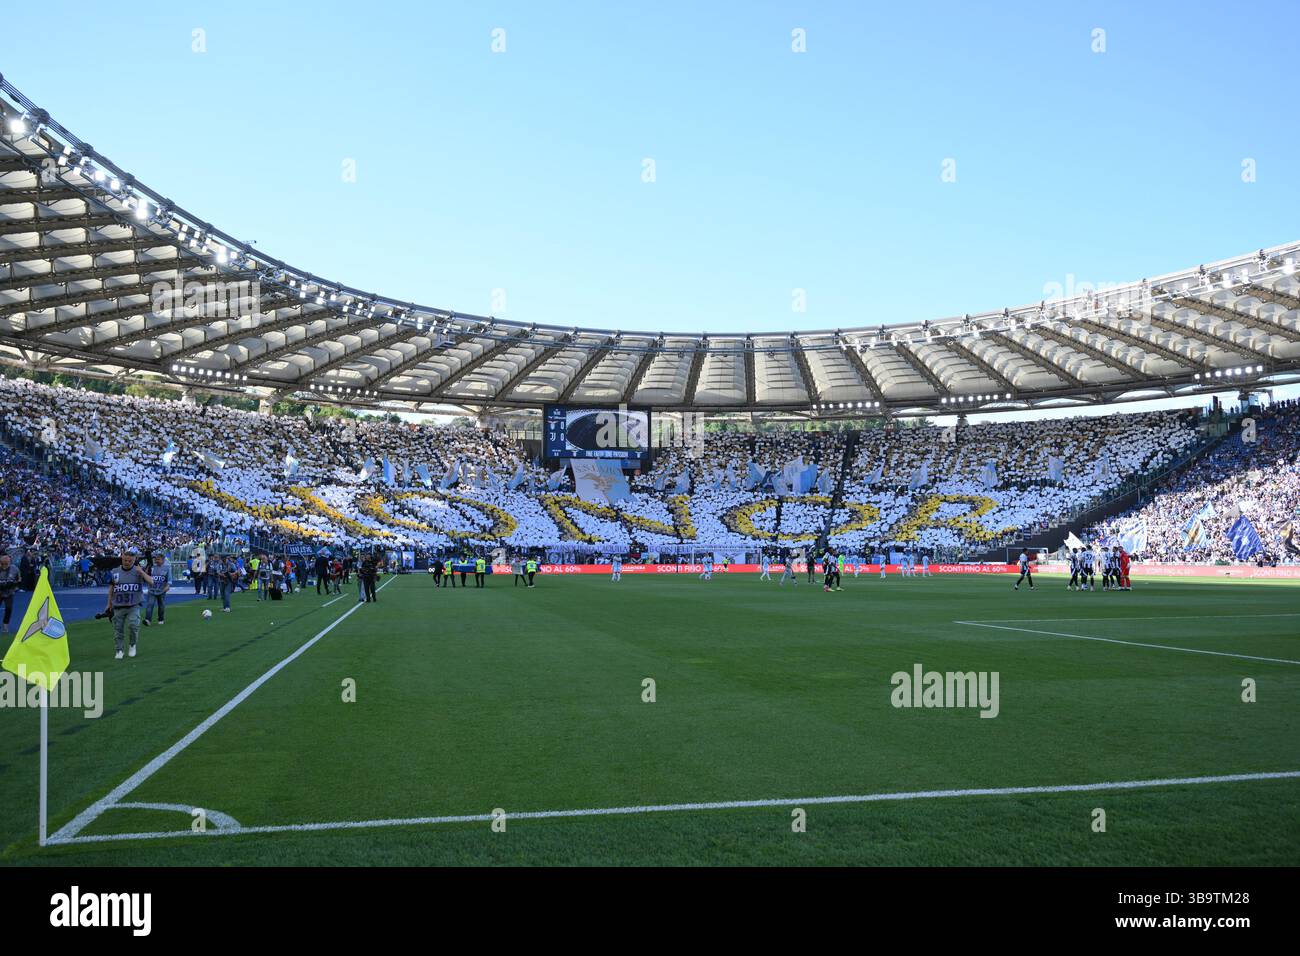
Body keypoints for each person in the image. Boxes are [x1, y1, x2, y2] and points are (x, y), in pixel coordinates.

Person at [105, 547, 153, 659]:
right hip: (118, 605)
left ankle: (132, 645)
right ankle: (119, 650)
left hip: (134, 605)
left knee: (133, 625)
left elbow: (151, 581)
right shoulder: (115, 572)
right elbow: (111, 588)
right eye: (125, 560)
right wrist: (109, 604)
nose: (127, 562)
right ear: (122, 558)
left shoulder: (138, 571)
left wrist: (141, 571)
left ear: (134, 560)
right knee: (118, 630)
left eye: (130, 561)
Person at [142, 552, 171, 626]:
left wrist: (166, 587)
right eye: (155, 559)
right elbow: (145, 576)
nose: (156, 561)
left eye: (158, 559)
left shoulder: (167, 568)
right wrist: (147, 567)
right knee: (150, 605)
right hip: (152, 590)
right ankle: (148, 620)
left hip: (161, 590)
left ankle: (161, 619)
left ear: (163, 560)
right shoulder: (151, 567)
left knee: (161, 606)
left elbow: (169, 580)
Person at [0, 552, 21, 635]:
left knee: (8, 608)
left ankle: (5, 625)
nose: (4, 566)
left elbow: (19, 580)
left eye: (6, 564)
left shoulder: (14, 569)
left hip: (9, 592)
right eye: (2, 564)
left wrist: (14, 586)